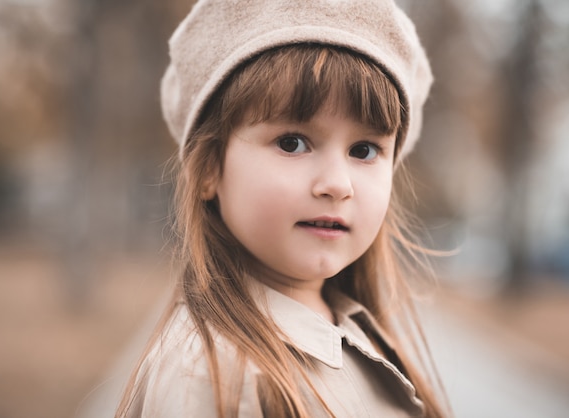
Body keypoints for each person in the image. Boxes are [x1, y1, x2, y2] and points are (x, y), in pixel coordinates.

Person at [117, 0, 448, 416]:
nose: (337, 184)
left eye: (363, 150)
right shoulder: (210, 379)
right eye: (292, 142)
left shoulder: (362, 336)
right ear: (208, 169)